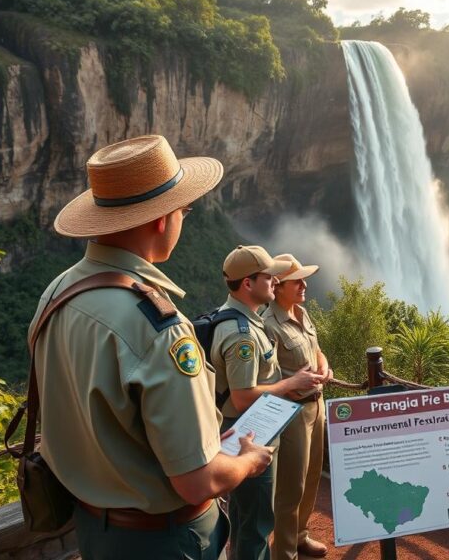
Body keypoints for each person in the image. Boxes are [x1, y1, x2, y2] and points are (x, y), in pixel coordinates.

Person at [29, 134, 275, 560]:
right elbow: (198, 482)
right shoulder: (159, 328)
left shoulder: (56, 293)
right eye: (183, 211)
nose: (183, 220)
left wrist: (201, 439)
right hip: (165, 542)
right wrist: (248, 461)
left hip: (94, 531)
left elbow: (112, 421)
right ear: (162, 219)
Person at [212, 245, 325, 560]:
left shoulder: (249, 322)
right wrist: (291, 383)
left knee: (248, 514)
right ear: (248, 283)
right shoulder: (244, 334)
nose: (274, 282)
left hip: (261, 423)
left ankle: (289, 541)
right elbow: (242, 397)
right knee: (258, 518)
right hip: (251, 431)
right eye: (269, 277)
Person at [262, 254, 334, 560]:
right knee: (291, 486)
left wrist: (325, 368)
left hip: (316, 406)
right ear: (278, 286)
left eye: (304, 279)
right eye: (297, 281)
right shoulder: (269, 325)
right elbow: (266, 379)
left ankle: (301, 535)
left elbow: (317, 351)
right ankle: (285, 551)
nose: (304, 285)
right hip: (292, 412)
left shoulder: (302, 313)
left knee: (312, 476)